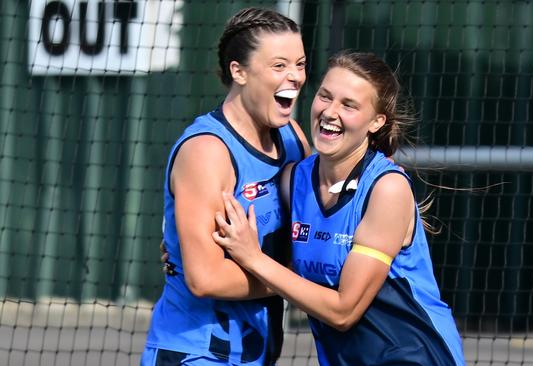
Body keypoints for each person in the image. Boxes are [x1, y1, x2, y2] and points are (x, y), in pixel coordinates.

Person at [213, 51, 466, 365]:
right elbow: (285, 271)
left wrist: (252, 257)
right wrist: (187, 251)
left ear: (376, 122)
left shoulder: (386, 189)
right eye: (325, 96)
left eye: (349, 105)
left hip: (414, 356)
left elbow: (343, 311)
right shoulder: (295, 181)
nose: (330, 112)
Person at [142, 7, 311, 366]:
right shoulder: (206, 152)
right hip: (196, 352)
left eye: (301, 64)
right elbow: (204, 278)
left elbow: (318, 226)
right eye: (279, 66)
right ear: (239, 71)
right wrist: (299, 278)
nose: (295, 77)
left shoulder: (294, 139)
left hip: (256, 352)